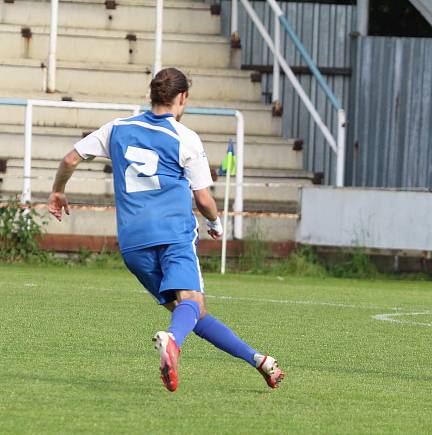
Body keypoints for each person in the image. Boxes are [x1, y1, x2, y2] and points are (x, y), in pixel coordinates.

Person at [47, 68, 284, 392]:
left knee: (191, 312)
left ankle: (259, 360)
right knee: (190, 308)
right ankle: (172, 341)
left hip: (133, 244)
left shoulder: (118, 128)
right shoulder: (184, 137)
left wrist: (58, 190)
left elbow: (71, 159)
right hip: (173, 234)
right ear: (182, 97)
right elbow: (203, 199)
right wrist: (215, 223)